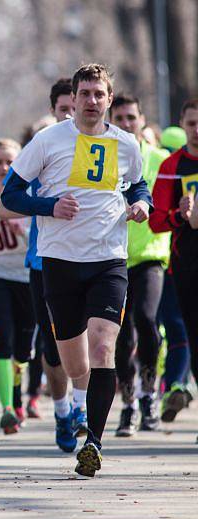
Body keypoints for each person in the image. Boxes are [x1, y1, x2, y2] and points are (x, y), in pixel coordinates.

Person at [2, 64, 150, 477]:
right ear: (75, 96)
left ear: (109, 97)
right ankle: (71, 408)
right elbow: (10, 194)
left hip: (109, 260)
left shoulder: (126, 144)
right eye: (84, 93)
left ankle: (94, 442)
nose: (91, 101)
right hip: (61, 262)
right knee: (73, 362)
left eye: (99, 94)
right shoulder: (49, 140)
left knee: (104, 347)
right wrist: (50, 206)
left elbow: (138, 185)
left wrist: (142, 204)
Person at [0, 78, 89, 454]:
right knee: (53, 347)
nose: (71, 114)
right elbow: (6, 204)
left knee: (93, 338)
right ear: (54, 109)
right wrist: (47, 205)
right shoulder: (43, 149)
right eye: (64, 108)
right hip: (44, 260)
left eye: (77, 106)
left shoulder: (102, 146)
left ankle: (83, 409)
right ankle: (61, 409)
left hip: (93, 258)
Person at [109, 94, 170, 436]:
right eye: (119, 118)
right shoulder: (103, 160)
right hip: (113, 256)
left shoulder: (160, 160)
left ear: (142, 121)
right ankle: (129, 403)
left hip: (150, 255)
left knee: (147, 319)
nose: (126, 124)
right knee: (118, 333)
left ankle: (149, 395)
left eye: (132, 117)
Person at [150, 98, 198, 439]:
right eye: (191, 123)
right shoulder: (171, 165)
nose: (197, 130)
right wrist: (179, 215)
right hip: (186, 266)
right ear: (182, 124)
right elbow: (155, 221)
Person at [0, 139, 34, 434]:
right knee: (4, 337)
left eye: (10, 162)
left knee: (24, 348)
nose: (4, 168)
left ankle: (17, 391)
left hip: (26, 278)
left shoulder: (28, 197)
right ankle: (7, 409)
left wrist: (20, 229)